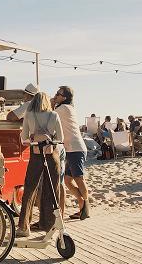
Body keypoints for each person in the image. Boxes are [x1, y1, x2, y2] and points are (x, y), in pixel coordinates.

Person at [16, 92, 63, 237]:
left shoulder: (29, 115)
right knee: (53, 188)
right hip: (51, 154)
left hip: (36, 155)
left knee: (29, 189)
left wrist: (32, 138)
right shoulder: (54, 115)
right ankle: (50, 225)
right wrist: (50, 138)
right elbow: (61, 138)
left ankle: (24, 227)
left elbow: (23, 138)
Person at [53, 86, 89, 220]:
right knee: (68, 181)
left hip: (75, 148)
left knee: (79, 178)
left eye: (58, 94)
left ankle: (86, 206)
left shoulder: (63, 109)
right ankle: (82, 203)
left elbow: (49, 116)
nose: (55, 95)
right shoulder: (66, 108)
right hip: (71, 149)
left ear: (65, 97)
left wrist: (51, 103)